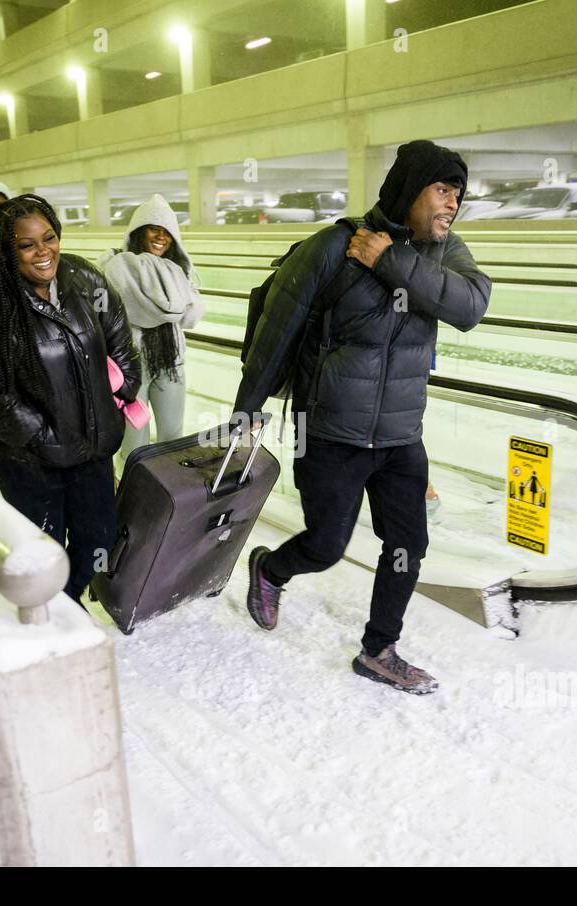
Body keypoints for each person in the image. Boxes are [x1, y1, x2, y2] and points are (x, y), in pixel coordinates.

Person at [235, 140, 492, 695]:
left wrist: (390, 260)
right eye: (442, 190)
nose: (451, 205)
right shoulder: (331, 246)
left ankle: (380, 649)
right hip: (329, 431)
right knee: (326, 545)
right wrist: (247, 409)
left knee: (407, 545)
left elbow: (471, 306)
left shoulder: (444, 252)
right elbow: (277, 332)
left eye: (458, 194)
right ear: (409, 190)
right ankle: (272, 570)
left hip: (401, 435)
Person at [0, 195, 141, 607]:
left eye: (49, 238)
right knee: (44, 547)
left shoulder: (84, 278)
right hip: (29, 460)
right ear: (5, 250)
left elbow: (119, 332)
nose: (43, 251)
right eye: (26, 244)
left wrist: (123, 388)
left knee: (98, 538)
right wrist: (41, 433)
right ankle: (50, 619)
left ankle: (66, 606)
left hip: (92, 445)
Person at [97, 194, 204, 464]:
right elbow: (102, 314)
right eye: (154, 229)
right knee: (134, 440)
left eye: (167, 232)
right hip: (130, 365)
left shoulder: (179, 271)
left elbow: (191, 319)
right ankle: (133, 498)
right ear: (139, 231)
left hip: (170, 361)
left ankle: (167, 496)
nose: (161, 237)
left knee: (173, 436)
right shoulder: (114, 265)